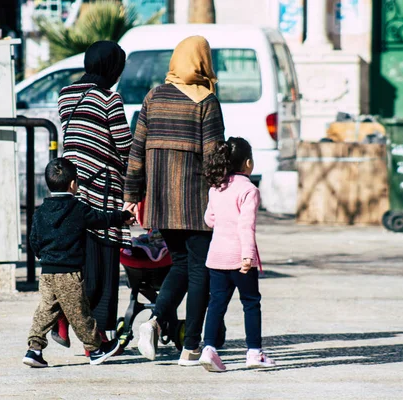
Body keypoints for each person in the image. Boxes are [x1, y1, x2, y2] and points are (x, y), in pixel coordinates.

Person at [123, 36, 225, 366]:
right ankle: (191, 345)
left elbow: (136, 152)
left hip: (161, 205)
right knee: (200, 273)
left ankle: (154, 322)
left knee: (180, 264)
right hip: (196, 204)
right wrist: (224, 197)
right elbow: (214, 159)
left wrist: (131, 196)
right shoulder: (206, 101)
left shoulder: (153, 97)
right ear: (202, 62)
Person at [52, 41, 132, 347]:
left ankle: (61, 316)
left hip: (73, 188)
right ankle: (95, 337)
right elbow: (123, 146)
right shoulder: (109, 99)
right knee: (103, 265)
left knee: (79, 261)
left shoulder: (65, 95)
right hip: (103, 189)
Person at [23, 158, 135, 368]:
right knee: (80, 312)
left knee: (46, 310)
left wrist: (44, 257)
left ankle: (34, 349)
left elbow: (33, 240)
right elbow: (101, 218)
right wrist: (122, 217)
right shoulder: (78, 209)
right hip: (69, 272)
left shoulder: (40, 212)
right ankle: (95, 349)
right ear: (74, 184)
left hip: (47, 273)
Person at [198, 137, 275, 372]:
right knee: (251, 303)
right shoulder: (249, 189)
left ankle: (209, 349)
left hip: (217, 257)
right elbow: (246, 225)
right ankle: (254, 352)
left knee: (216, 304)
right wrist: (247, 256)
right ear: (248, 163)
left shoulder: (216, 187)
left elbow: (209, 220)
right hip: (240, 258)